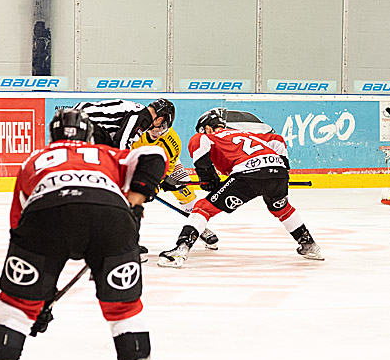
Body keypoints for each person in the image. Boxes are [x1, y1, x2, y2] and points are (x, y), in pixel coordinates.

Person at [0, 108, 168, 360]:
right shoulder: (106, 153)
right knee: (124, 308)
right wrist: (134, 206)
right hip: (110, 217)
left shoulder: (34, 159)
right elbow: (154, 155)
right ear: (89, 135)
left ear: (53, 137)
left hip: (47, 214)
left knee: (16, 307)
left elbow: (18, 225)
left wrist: (37, 296)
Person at [158, 108, 322, 267]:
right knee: (281, 208)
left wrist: (208, 178)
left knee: (203, 208)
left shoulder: (210, 136)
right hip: (277, 172)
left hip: (248, 174)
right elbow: (276, 140)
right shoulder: (244, 134)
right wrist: (283, 167)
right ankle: (309, 245)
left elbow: (198, 141)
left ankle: (181, 249)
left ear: (207, 128)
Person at [130, 105, 219, 252]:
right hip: (134, 163)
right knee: (131, 198)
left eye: (160, 130)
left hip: (162, 164)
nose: (155, 132)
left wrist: (158, 183)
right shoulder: (137, 130)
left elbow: (168, 167)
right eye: (153, 128)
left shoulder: (173, 142)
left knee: (186, 194)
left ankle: (198, 226)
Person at [73, 98, 174, 150]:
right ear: (159, 119)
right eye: (163, 125)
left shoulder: (138, 110)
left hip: (76, 119)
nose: (159, 129)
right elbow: (122, 143)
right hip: (82, 123)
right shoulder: (143, 117)